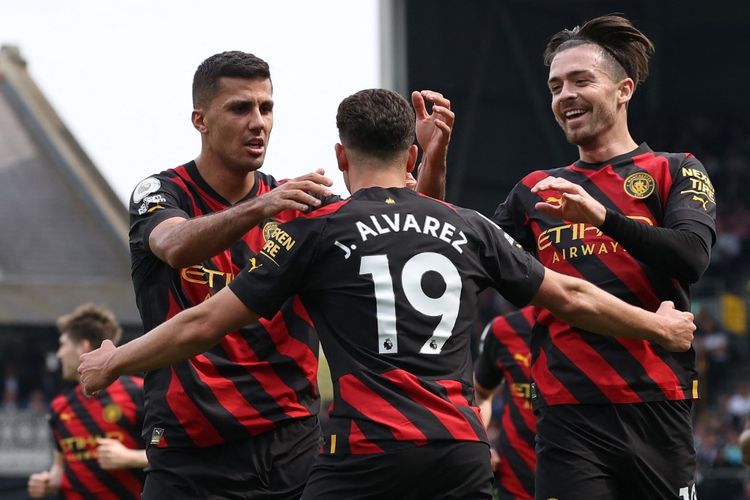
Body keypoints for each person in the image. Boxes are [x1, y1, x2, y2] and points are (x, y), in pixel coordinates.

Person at [80, 88, 695, 499]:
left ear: (341, 155)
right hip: (458, 448)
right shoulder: (469, 226)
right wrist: (658, 327)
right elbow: (572, 295)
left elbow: (202, 322)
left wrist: (113, 360)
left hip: (363, 452)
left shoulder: (316, 230)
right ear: (410, 153)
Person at [125, 51, 454, 499]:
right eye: (240, 108)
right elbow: (176, 245)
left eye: (266, 107)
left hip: (291, 448)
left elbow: (411, 242)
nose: (258, 122)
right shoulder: (163, 193)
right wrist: (262, 206)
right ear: (200, 120)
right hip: (189, 452)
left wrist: (430, 162)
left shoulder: (303, 211)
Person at [487, 15, 716, 499]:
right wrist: (435, 163)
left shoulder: (674, 169)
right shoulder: (534, 190)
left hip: (658, 402)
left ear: (623, 90)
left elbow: (692, 256)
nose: (564, 95)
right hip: (567, 412)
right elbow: (464, 256)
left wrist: (603, 218)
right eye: (554, 86)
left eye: (580, 80)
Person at [27, 304, 147, 499]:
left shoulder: (139, 391)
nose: (59, 354)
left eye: (62, 345)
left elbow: (167, 448)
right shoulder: (59, 406)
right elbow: (60, 467)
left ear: (83, 347)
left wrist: (131, 457)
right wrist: (47, 482)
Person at [474, 306, 537, 500]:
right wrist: (481, 445)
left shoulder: (593, 327)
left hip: (579, 474)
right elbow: (480, 393)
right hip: (515, 479)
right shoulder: (505, 329)